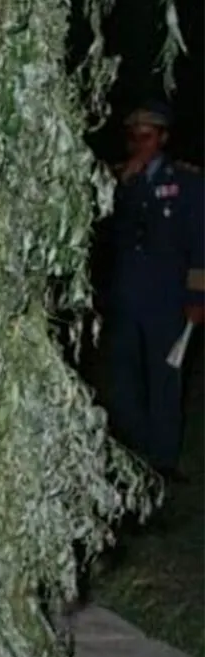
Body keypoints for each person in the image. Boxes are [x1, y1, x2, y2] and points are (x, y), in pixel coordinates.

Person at [102, 99, 203, 481]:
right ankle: (136, 453)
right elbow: (107, 232)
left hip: (169, 298)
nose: (138, 144)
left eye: (146, 137)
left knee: (164, 379)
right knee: (123, 381)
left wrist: (197, 297)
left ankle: (162, 460)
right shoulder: (119, 180)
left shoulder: (187, 182)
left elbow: (200, 243)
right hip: (126, 297)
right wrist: (125, 185)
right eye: (133, 137)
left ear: (162, 138)